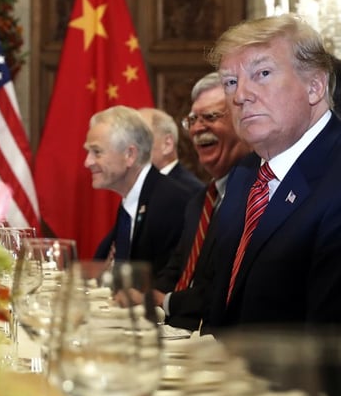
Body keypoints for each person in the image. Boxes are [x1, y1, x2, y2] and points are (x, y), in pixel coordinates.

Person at [204, 14, 341, 330]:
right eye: (230, 82)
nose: (240, 96)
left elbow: (333, 349)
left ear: (314, 86)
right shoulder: (244, 176)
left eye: (262, 73)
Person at [152, 73, 252, 330]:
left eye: (210, 117)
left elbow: (226, 285)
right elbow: (174, 270)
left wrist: (168, 302)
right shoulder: (201, 200)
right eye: (193, 120)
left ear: (244, 121)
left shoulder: (257, 196)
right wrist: (147, 298)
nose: (197, 128)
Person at [87, 106, 191, 276]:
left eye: (96, 152)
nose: (88, 162)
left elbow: (164, 282)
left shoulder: (171, 202)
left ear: (130, 154)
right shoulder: (132, 200)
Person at [138, 107, 204, 196]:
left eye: (139, 138)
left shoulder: (190, 191)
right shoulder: (140, 186)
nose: (131, 147)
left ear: (167, 144)